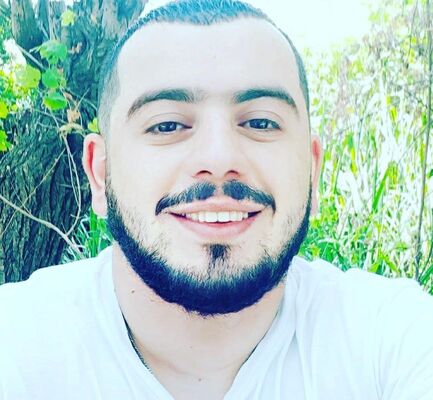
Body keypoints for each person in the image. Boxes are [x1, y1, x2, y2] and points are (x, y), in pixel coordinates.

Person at [1, 0, 432, 399]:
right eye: (167, 125)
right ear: (100, 174)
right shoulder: (18, 345)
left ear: (312, 170)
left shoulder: (392, 339)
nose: (220, 159)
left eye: (260, 122)